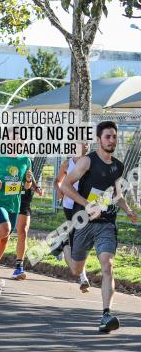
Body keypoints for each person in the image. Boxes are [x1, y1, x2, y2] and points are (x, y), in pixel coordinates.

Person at [59, 120, 137, 333]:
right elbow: (65, 186)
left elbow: (117, 194)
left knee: (107, 265)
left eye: (114, 137)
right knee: (76, 269)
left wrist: (128, 209)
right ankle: (64, 246)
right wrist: (86, 204)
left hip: (105, 223)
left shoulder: (118, 166)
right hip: (82, 221)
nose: (112, 140)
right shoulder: (87, 162)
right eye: (107, 137)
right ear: (98, 139)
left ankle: (106, 314)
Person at [0, 142, 34, 283]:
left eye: (20, 140)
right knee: (5, 229)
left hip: (14, 204)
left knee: (5, 237)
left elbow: (26, 185)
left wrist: (29, 181)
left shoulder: (26, 160)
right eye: (13, 139)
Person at [53, 142, 91, 291]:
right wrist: (59, 191)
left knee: (79, 238)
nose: (86, 145)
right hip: (69, 205)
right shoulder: (66, 163)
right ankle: (83, 278)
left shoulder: (90, 163)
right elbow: (57, 181)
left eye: (88, 142)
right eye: (83, 142)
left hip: (83, 205)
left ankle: (62, 244)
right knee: (77, 240)